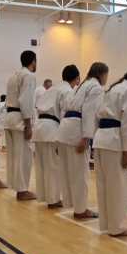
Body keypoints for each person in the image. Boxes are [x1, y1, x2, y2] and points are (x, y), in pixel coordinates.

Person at [93, 66, 127, 238]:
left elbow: (97, 115)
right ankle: (116, 227)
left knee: (103, 185)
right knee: (118, 187)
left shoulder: (112, 89)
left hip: (101, 139)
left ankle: (106, 224)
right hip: (115, 141)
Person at [58, 61, 108, 220]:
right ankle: (80, 210)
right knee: (80, 173)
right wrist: (86, 137)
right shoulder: (96, 88)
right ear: (102, 74)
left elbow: (65, 106)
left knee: (67, 171)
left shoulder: (81, 86)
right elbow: (89, 112)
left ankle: (71, 203)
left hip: (65, 128)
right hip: (77, 131)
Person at [34, 64, 80, 209]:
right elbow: (64, 114)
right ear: (77, 78)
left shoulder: (52, 88)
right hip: (52, 128)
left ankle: (45, 196)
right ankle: (53, 199)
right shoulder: (68, 91)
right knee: (53, 165)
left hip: (39, 126)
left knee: (42, 165)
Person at [4, 50, 37, 200]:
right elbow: (26, 100)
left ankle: (17, 187)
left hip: (10, 117)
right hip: (20, 118)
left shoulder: (13, 76)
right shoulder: (28, 76)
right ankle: (22, 190)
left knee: (14, 156)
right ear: (33, 61)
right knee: (24, 156)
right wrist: (28, 124)